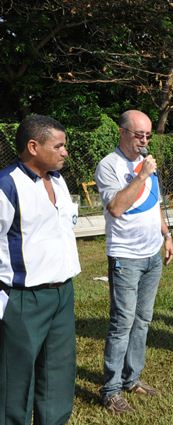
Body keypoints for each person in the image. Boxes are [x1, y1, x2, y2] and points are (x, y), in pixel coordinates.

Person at [0, 115, 81, 424]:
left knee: (58, 372)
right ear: (33, 147)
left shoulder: (59, 182)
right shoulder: (7, 185)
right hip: (23, 299)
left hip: (62, 294)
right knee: (16, 380)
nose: (65, 152)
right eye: (58, 146)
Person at [95, 110, 173, 414]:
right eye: (139, 134)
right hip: (125, 257)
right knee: (122, 323)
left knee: (143, 320)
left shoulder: (148, 164)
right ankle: (111, 389)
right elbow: (116, 207)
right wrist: (141, 175)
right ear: (122, 132)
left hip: (151, 253)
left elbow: (153, 204)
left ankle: (132, 378)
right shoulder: (109, 166)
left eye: (148, 135)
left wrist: (166, 236)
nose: (144, 140)